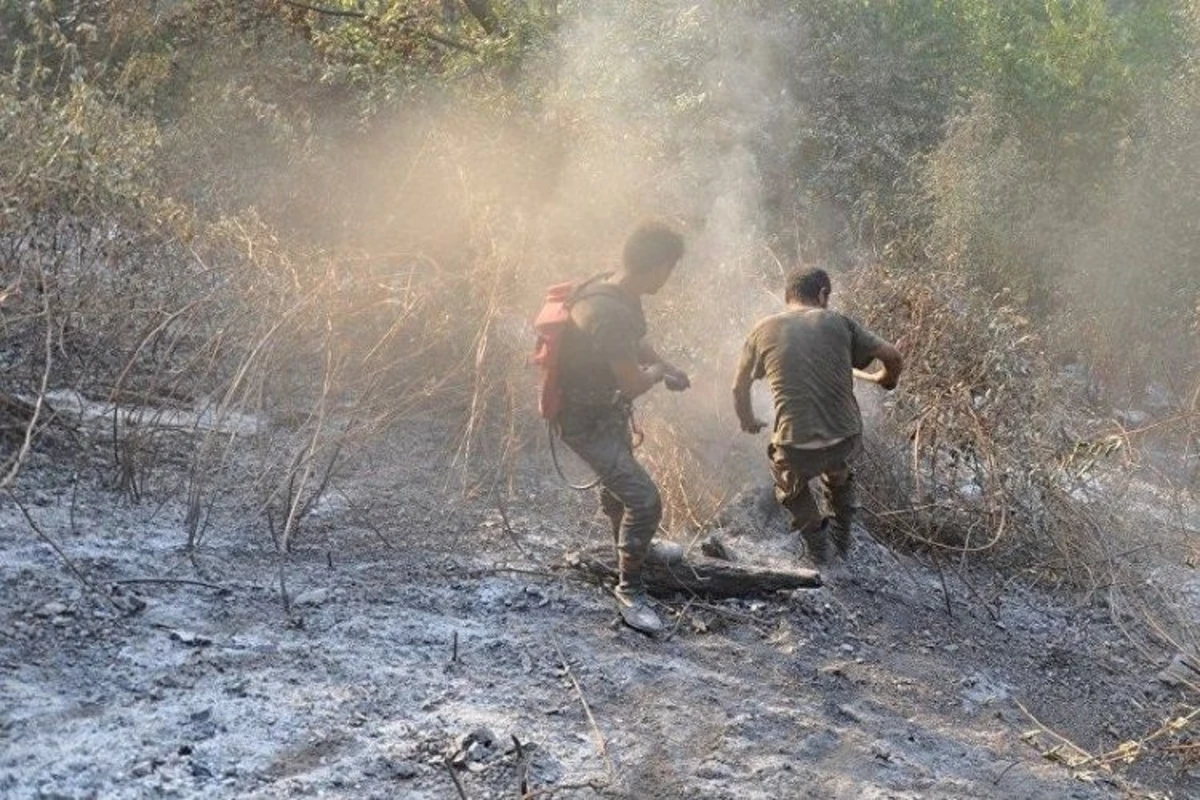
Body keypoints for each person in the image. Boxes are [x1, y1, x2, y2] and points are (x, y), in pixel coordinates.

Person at [555, 220, 690, 634]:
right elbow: (633, 378)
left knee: (620, 490)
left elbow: (638, 343)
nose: (669, 277)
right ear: (659, 266)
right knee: (644, 499)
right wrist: (653, 373)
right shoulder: (606, 313)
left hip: (604, 412)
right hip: (584, 423)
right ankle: (630, 591)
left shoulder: (621, 290)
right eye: (670, 268)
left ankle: (636, 549)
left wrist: (664, 365)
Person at [732, 267, 902, 564]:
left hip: (796, 446)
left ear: (788, 297)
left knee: (790, 486)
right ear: (823, 294)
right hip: (844, 440)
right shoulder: (839, 323)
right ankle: (843, 538)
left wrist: (747, 419)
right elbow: (893, 356)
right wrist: (887, 380)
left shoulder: (762, 329)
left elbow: (739, 385)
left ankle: (818, 545)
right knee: (839, 474)